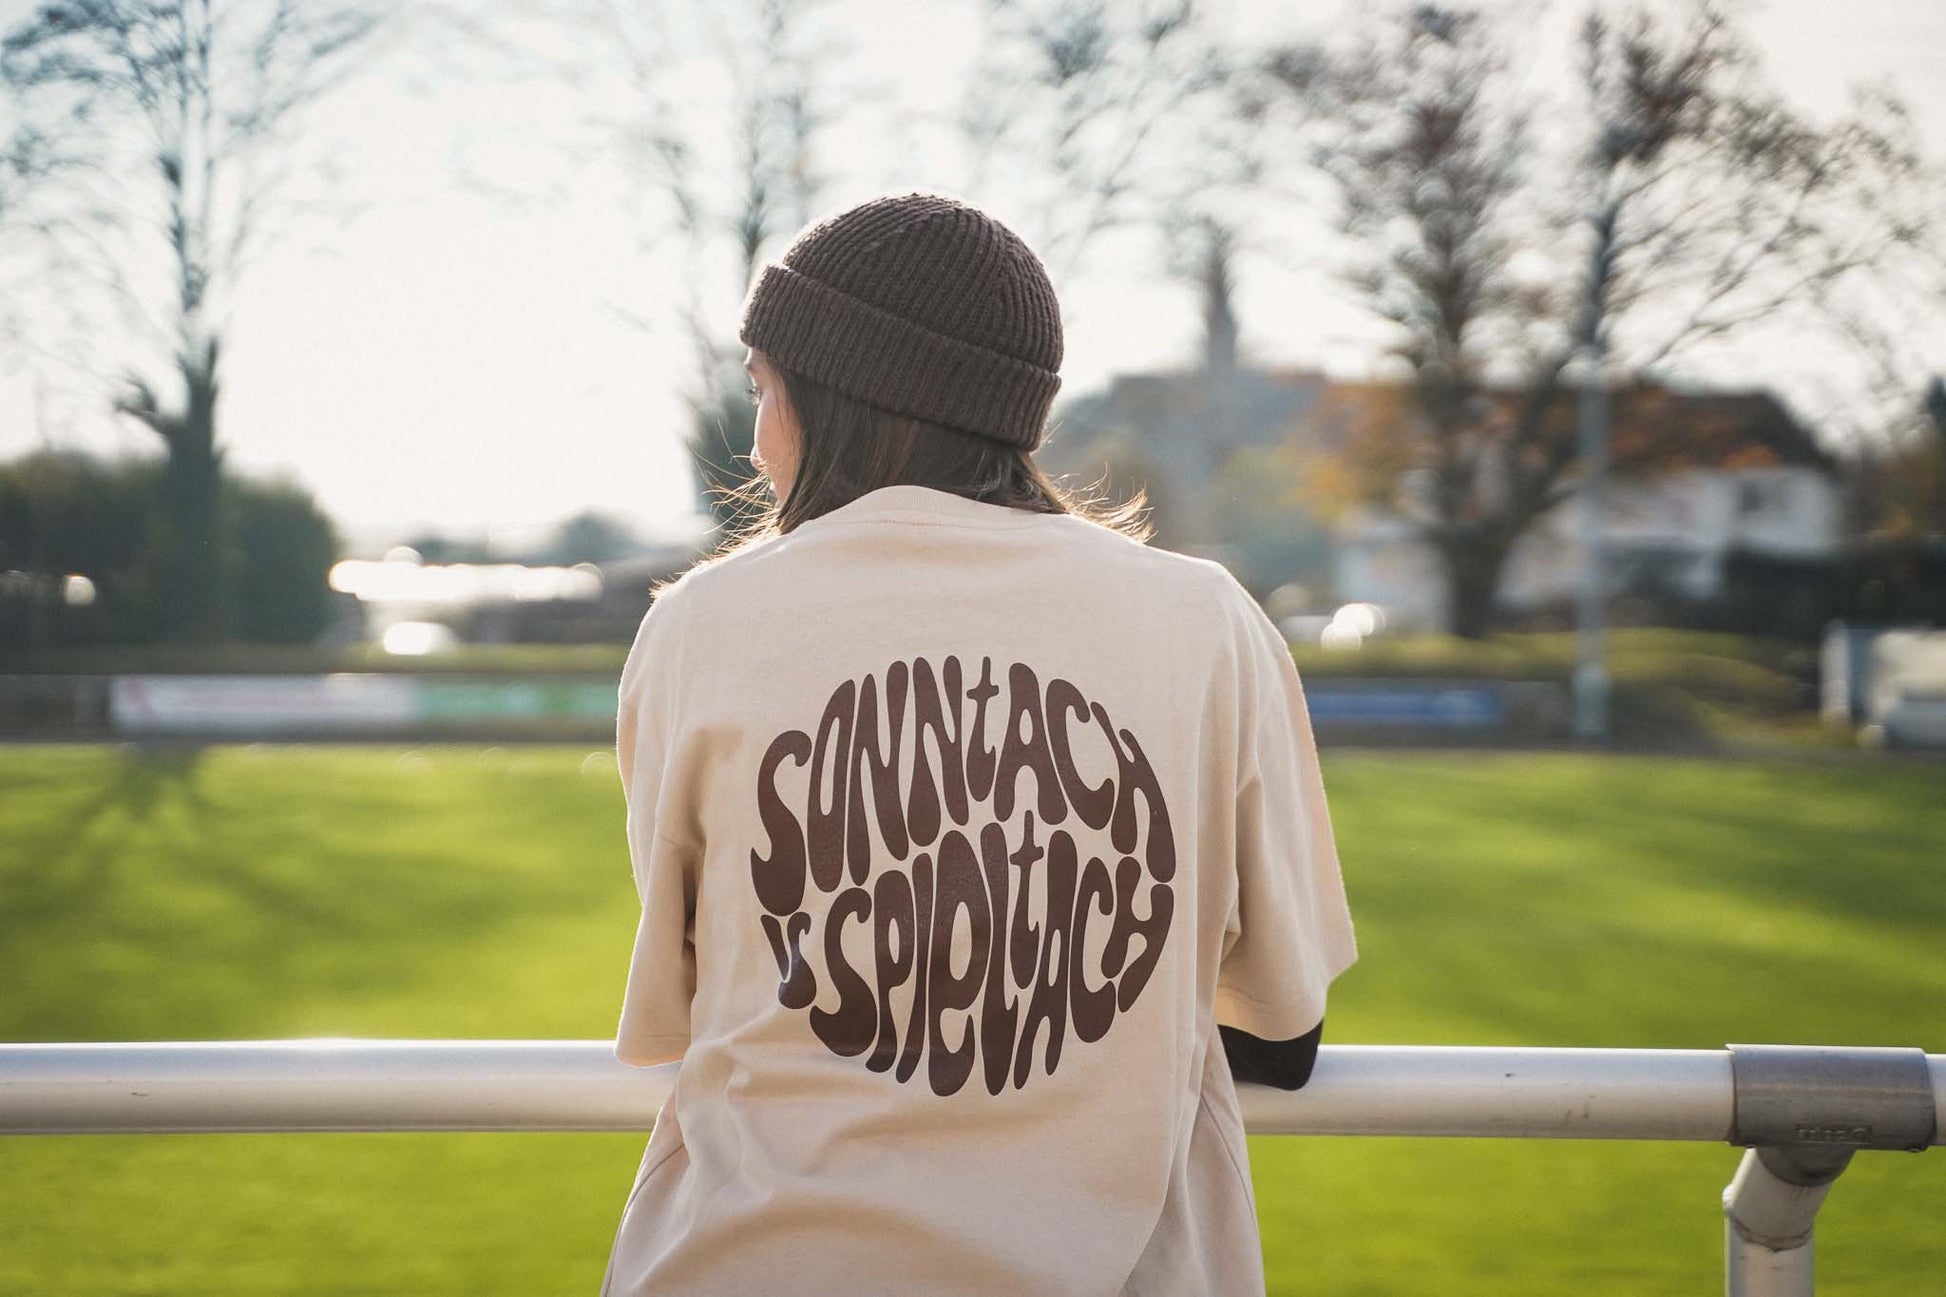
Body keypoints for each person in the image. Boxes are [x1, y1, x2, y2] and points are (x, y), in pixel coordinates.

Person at [600, 189, 1356, 1297]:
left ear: (836, 392)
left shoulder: (698, 623)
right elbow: (1281, 1034)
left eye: (764, 391)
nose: (756, 443)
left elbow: (698, 1002)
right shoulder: (1206, 620)